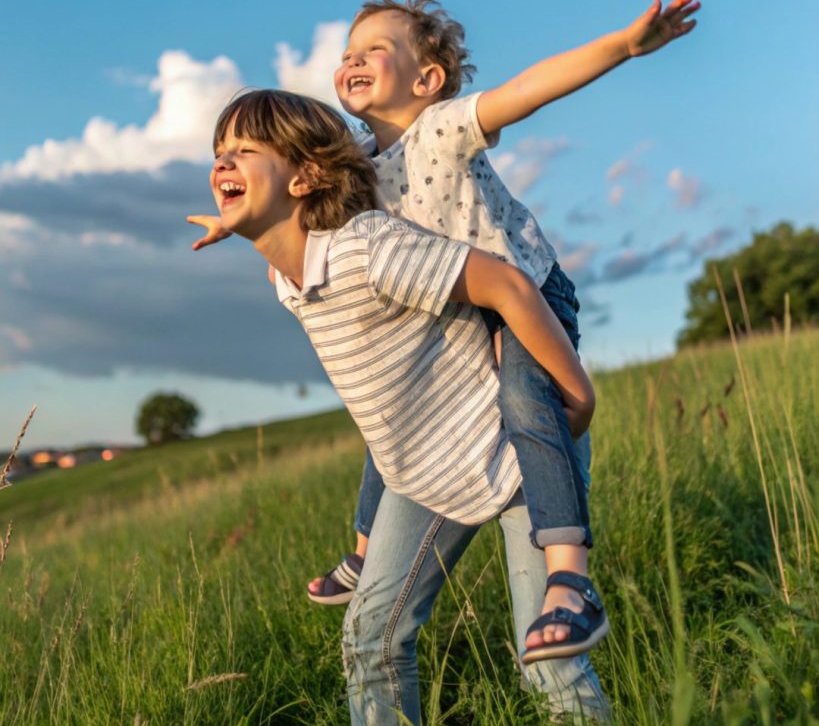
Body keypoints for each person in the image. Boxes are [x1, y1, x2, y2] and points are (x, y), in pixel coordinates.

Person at [189, 0, 699, 661]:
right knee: (390, 413)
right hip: (470, 310)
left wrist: (622, 47)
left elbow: (528, 88)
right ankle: (366, 553)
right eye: (347, 54)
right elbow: (300, 214)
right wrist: (241, 218)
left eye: (374, 50)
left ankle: (569, 575)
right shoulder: (364, 169)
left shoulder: (443, 126)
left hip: (528, 294)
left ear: (427, 79)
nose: (352, 61)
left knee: (525, 401)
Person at [203, 88, 610, 723]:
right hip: (421, 473)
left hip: (514, 453)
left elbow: (506, 283)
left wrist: (575, 390)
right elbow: (284, 246)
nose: (223, 164)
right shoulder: (287, 277)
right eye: (219, 154)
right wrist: (239, 223)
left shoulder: (368, 248)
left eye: (244, 151)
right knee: (371, 641)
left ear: (307, 175)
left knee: (550, 664)